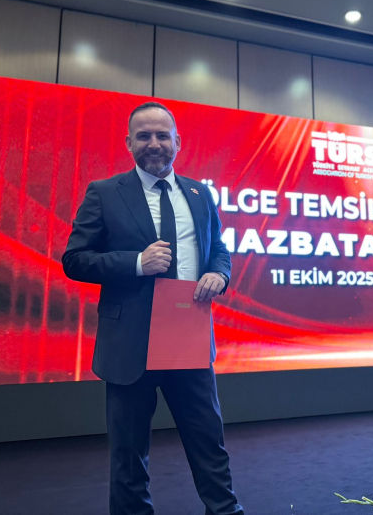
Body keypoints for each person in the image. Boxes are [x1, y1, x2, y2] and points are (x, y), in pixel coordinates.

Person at [62, 101, 243, 515]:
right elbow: (75, 259)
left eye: (163, 135)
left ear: (178, 142)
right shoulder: (105, 192)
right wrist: (137, 263)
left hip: (188, 339)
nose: (154, 143)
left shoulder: (199, 193)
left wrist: (219, 273)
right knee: (128, 456)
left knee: (209, 444)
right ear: (129, 143)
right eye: (144, 136)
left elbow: (218, 248)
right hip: (130, 345)